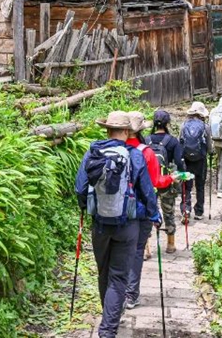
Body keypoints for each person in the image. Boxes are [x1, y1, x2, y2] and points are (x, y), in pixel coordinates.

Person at [74, 111, 160, 338]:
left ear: (107, 129)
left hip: (100, 224)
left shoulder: (93, 152)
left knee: (104, 273)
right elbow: (146, 190)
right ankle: (108, 329)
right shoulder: (135, 155)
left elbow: (80, 188)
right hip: (128, 224)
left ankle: (109, 317)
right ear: (126, 132)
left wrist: (85, 207)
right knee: (119, 276)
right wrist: (153, 215)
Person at [125, 111, 174, 309]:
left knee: (119, 252)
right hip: (141, 209)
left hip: (114, 210)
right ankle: (131, 294)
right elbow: (154, 182)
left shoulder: (109, 149)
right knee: (137, 251)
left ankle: (114, 295)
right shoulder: (146, 153)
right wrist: (171, 178)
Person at [146, 109, 186, 253]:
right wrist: (182, 176)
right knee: (168, 211)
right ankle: (170, 244)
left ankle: (146, 248)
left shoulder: (146, 140)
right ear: (168, 123)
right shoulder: (172, 141)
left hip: (149, 182)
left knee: (148, 211)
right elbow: (179, 164)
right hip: (166, 181)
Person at [179, 101, 211, 219]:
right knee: (200, 185)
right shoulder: (205, 126)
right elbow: (209, 146)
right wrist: (210, 153)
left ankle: (186, 209)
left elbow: (180, 141)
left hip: (186, 159)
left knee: (186, 185)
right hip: (201, 160)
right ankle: (199, 211)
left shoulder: (184, 125)